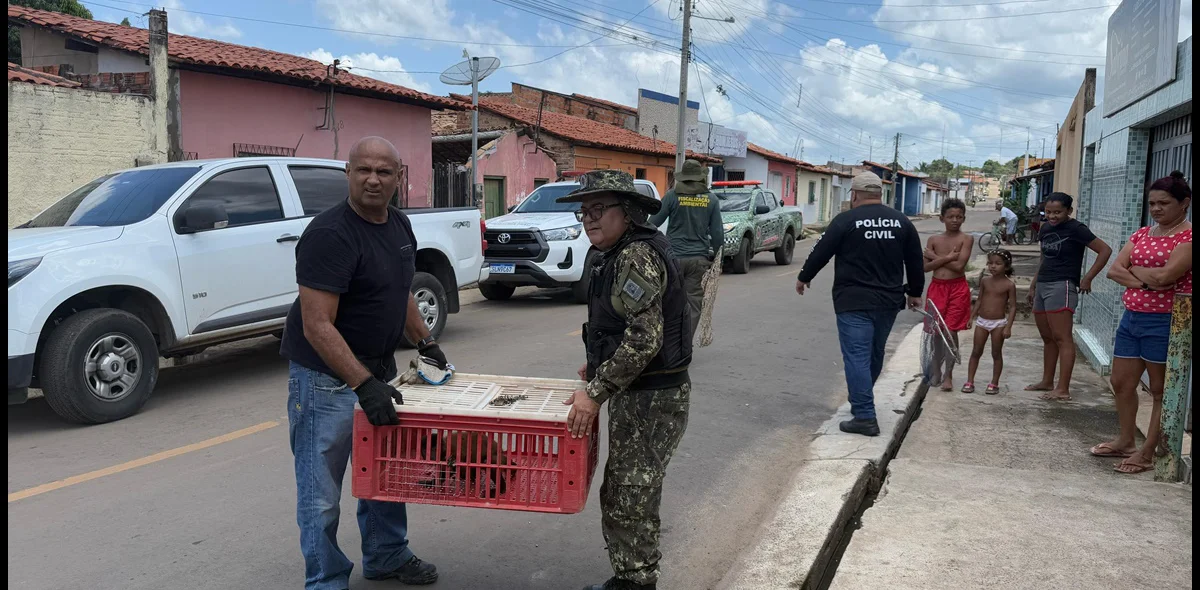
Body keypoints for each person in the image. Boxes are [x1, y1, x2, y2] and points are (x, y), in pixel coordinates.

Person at [279, 137, 446, 590]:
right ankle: (327, 580)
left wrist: (424, 341)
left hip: (378, 370)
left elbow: (400, 291)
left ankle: (386, 555)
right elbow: (317, 325)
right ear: (348, 174)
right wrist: (362, 384)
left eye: (384, 172)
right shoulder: (330, 234)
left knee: (387, 475)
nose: (373, 179)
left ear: (398, 178)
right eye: (363, 170)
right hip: (324, 381)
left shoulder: (399, 226)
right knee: (320, 496)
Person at [557, 170, 692, 590]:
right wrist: (598, 365)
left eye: (599, 209)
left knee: (631, 495)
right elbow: (625, 327)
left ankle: (636, 582)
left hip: (651, 397)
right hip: (642, 392)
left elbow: (644, 339)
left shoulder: (635, 256)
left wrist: (594, 394)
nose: (589, 219)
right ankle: (633, 576)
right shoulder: (617, 253)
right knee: (625, 491)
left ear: (628, 212)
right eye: (584, 211)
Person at [795, 171, 925, 436]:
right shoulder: (902, 222)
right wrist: (914, 292)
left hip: (852, 301)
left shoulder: (845, 220)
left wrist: (804, 277)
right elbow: (914, 260)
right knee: (874, 354)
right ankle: (860, 402)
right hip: (888, 301)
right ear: (880, 194)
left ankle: (865, 415)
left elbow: (821, 250)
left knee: (856, 356)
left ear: (853, 195)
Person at [1095, 171, 1192, 474]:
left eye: (1164, 203)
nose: (1157, 209)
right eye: (1152, 203)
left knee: (1161, 390)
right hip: (1132, 318)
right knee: (1121, 382)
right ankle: (1126, 440)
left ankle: (1148, 452)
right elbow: (1114, 271)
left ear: (1184, 203)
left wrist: (1135, 271)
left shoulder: (1188, 238)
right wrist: (1148, 283)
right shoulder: (1141, 234)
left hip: (1166, 322)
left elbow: (1168, 276)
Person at [1025, 192, 1112, 401]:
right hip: (1043, 284)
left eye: (1058, 212)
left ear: (1069, 211)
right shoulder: (1045, 228)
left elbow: (1105, 250)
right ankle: (1047, 381)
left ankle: (1062, 389)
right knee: (1047, 337)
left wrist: (1088, 278)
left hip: (1062, 285)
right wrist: (1032, 285)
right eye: (1048, 212)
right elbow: (1044, 258)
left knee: (1062, 338)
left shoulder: (1076, 228)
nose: (1052, 216)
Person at [649, 158, 724, 337]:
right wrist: (719, 260)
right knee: (693, 303)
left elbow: (653, 223)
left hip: (672, 259)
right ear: (701, 178)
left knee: (667, 301)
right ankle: (683, 346)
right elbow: (717, 232)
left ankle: (666, 340)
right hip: (698, 259)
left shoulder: (671, 197)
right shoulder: (711, 200)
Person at [922, 198, 974, 391]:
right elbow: (925, 268)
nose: (955, 220)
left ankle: (948, 375)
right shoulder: (934, 240)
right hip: (937, 288)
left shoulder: (966, 239)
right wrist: (946, 258)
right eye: (950, 216)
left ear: (964, 218)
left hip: (957, 288)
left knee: (951, 332)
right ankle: (936, 372)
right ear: (942, 218)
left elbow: (959, 266)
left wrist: (936, 257)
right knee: (935, 333)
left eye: (959, 217)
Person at [962, 249, 1017, 395]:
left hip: (998, 323)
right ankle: (970, 381)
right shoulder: (985, 281)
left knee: (996, 353)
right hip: (982, 322)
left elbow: (1012, 307)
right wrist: (971, 317)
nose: (993, 266)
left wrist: (1008, 327)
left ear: (1006, 266)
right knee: (976, 351)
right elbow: (979, 300)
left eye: (997, 263)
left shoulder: (1009, 285)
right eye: (990, 263)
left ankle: (994, 383)